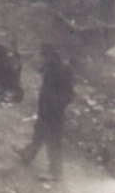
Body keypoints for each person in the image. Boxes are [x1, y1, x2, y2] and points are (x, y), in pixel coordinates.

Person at [14, 43, 75, 181]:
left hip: (54, 113)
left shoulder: (63, 70)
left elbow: (69, 95)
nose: (42, 59)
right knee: (38, 134)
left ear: (51, 57)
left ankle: (55, 173)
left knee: (53, 142)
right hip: (45, 109)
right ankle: (27, 155)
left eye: (44, 56)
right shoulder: (51, 67)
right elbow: (41, 71)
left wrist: (55, 106)